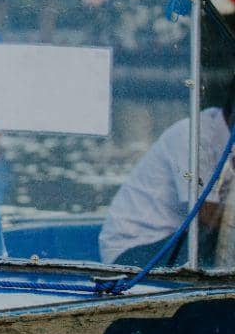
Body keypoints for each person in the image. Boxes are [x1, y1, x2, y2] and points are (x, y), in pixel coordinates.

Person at [99, 77, 235, 267]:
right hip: (135, 251)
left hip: (177, 243)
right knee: (217, 233)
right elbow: (207, 215)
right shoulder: (193, 134)